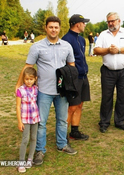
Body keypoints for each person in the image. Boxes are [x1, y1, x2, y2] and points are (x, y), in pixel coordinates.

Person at [15, 16, 77, 166]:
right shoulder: (37, 47)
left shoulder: (67, 46)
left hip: (62, 92)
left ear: (59, 28)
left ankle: (62, 144)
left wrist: (70, 83)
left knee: (62, 120)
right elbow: (28, 66)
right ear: (46, 28)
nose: (53, 30)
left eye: (56, 27)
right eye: (51, 27)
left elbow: (72, 66)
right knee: (41, 122)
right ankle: (40, 150)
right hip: (43, 91)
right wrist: (18, 85)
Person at [94, 12, 124, 133]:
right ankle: (104, 122)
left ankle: (120, 121)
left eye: (112, 21)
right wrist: (108, 50)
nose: (110, 23)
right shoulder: (103, 34)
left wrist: (118, 50)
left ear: (119, 21)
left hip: (123, 70)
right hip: (108, 71)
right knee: (106, 97)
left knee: (123, 97)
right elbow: (96, 50)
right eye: (108, 21)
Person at [62, 14, 91, 140]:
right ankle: (62, 136)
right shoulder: (66, 39)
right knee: (72, 107)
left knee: (79, 105)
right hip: (74, 79)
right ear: (77, 24)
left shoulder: (81, 39)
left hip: (83, 77)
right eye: (83, 22)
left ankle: (74, 131)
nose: (85, 25)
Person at [16, 67, 40, 173]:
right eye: (26, 79)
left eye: (31, 79)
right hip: (25, 119)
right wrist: (19, 122)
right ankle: (21, 162)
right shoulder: (20, 90)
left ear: (35, 79)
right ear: (23, 79)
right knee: (25, 140)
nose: (28, 81)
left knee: (34, 138)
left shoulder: (36, 89)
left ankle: (29, 159)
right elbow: (17, 106)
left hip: (35, 118)